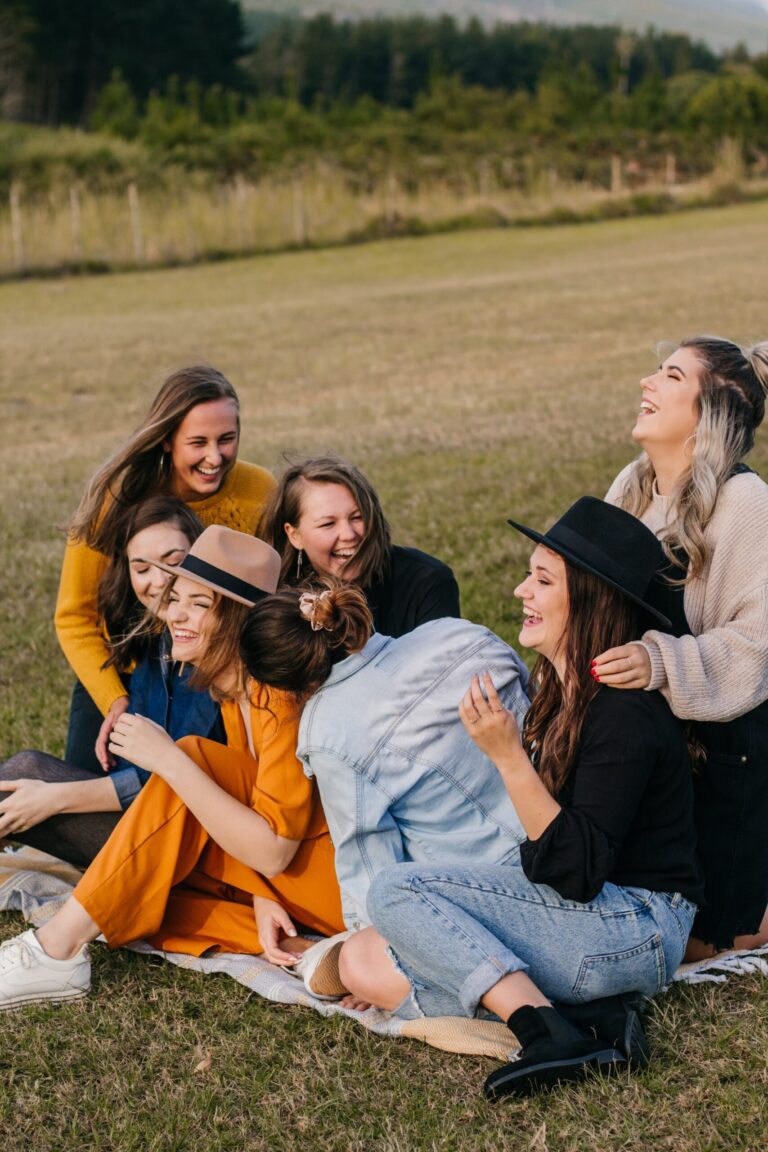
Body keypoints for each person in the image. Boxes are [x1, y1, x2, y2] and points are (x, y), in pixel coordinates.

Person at [316, 499, 703, 1099]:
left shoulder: (623, 714)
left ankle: (543, 1030)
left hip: (636, 928)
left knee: (393, 894)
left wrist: (506, 756)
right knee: (366, 953)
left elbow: (574, 871)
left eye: (543, 580)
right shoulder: (559, 689)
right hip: (590, 920)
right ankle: (588, 1019)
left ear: (593, 599)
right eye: (529, 573)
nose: (521, 590)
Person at [0, 527, 344, 1009]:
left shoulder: (279, 697)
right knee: (141, 895)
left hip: (335, 881)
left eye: (199, 605)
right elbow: (253, 812)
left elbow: (274, 851)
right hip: (286, 882)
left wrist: (167, 759)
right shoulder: (232, 692)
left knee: (191, 759)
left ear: (239, 620)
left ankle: (55, 951)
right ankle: (305, 952)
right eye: (176, 598)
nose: (175, 614)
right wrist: (264, 897)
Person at [594, 337, 768, 959]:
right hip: (637, 735)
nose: (647, 382)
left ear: (712, 411)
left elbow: (755, 646)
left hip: (721, 753)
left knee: (702, 941)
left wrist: (657, 662)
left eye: (670, 375)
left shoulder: (746, 502)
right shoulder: (632, 486)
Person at [237, 580, 530, 949]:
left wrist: (369, 949)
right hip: (561, 826)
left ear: (286, 685)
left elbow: (370, 862)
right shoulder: (457, 632)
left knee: (347, 964)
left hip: (489, 891)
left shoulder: (327, 731)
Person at [56, 364, 274, 774]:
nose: (215, 457)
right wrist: (113, 700)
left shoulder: (259, 490)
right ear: (167, 441)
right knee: (81, 794)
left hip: (212, 674)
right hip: (123, 670)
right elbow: (74, 618)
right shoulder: (116, 499)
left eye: (227, 439)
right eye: (198, 442)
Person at [0, 496, 223, 868]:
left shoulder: (212, 653)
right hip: (148, 822)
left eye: (174, 562)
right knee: (24, 774)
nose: (160, 581)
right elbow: (132, 765)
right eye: (142, 568)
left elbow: (170, 778)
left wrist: (56, 799)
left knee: (27, 782)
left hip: (194, 846)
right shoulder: (156, 643)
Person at [258, 456, 460, 638]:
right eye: (328, 524)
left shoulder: (426, 581)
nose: (349, 535)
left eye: (358, 517)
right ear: (295, 535)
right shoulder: (276, 601)